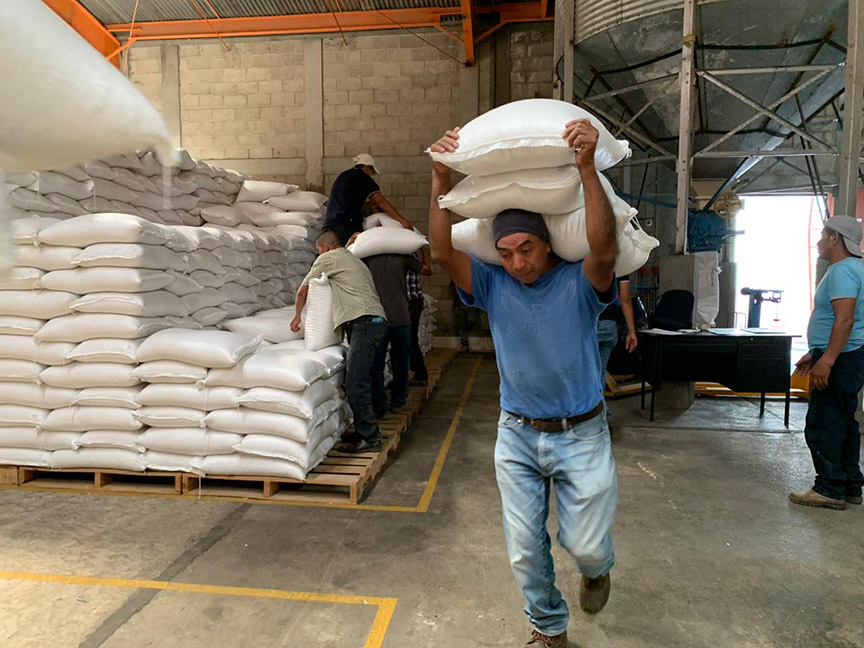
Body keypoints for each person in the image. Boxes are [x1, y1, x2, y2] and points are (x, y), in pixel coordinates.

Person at [429, 120, 619, 648]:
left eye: (527, 249)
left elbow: (605, 249)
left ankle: (598, 569)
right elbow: (442, 253)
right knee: (525, 549)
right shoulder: (492, 284)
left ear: (548, 244)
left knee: (587, 546)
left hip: (582, 433)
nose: (517, 262)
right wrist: (440, 179)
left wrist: (586, 168)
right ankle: (549, 626)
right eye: (506, 252)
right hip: (516, 434)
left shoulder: (579, 281)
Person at [790, 215, 864, 511]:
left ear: (836, 238)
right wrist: (818, 352)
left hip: (841, 358)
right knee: (844, 420)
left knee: (824, 423)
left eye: (823, 235)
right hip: (846, 354)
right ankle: (850, 485)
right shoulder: (855, 268)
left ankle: (829, 488)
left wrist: (828, 360)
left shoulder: (842, 271)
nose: (819, 242)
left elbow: (844, 320)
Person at [291, 230, 388, 454]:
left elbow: (303, 290)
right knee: (365, 378)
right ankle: (367, 429)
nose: (319, 256)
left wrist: (297, 318)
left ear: (325, 249)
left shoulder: (328, 258)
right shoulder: (353, 259)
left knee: (355, 382)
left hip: (364, 323)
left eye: (319, 251)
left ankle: (371, 438)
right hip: (376, 322)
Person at [363, 251, 424, 416]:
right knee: (400, 363)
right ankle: (398, 401)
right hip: (400, 317)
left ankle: (380, 406)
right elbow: (424, 268)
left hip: (378, 318)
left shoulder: (368, 257)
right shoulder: (403, 257)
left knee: (376, 365)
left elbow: (348, 258)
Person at [323, 153, 414, 245]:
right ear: (368, 168)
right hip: (346, 225)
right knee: (353, 252)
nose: (370, 175)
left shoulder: (344, 175)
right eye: (371, 172)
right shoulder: (363, 177)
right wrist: (402, 221)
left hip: (330, 224)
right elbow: (380, 201)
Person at [597, 276, 639, 430]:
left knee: (585, 374)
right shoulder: (620, 269)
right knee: (600, 372)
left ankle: (596, 417)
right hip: (609, 327)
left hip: (588, 325)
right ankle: (603, 416)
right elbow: (625, 299)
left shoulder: (581, 263)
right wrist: (631, 331)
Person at [407, 247, 433, 385]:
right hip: (412, 301)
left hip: (410, 302)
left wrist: (423, 248)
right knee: (408, 339)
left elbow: (427, 270)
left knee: (409, 339)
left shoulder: (407, 255)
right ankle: (417, 373)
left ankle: (420, 374)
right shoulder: (406, 253)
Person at [451, 279, 478, 351]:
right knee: (461, 325)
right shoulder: (455, 280)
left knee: (471, 320)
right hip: (459, 304)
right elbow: (453, 289)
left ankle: (470, 341)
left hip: (471, 303)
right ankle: (464, 344)